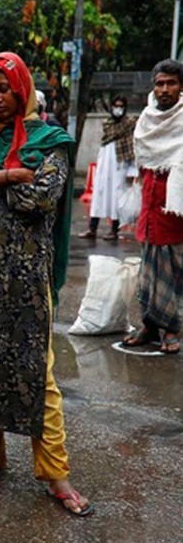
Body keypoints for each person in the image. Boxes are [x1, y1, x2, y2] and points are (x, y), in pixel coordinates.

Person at [0, 52, 92, 517]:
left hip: (26, 280)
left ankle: (56, 475)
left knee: (38, 377)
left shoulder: (51, 141)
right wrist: (9, 174)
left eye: (3, 90)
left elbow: (42, 196)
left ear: (22, 89)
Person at [122, 59, 183, 355]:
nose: (165, 89)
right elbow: (142, 159)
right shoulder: (146, 118)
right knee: (148, 271)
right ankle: (149, 326)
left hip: (176, 211)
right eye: (160, 83)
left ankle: (172, 328)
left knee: (174, 271)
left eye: (171, 83)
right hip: (150, 207)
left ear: (181, 87)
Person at [79, 95, 137, 241]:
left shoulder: (130, 124)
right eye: (115, 106)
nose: (118, 109)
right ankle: (92, 228)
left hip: (120, 167)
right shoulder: (108, 124)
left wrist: (132, 170)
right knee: (99, 196)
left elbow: (134, 149)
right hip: (105, 166)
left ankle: (114, 230)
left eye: (121, 106)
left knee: (117, 199)